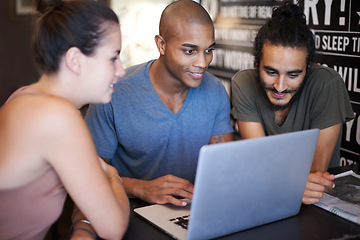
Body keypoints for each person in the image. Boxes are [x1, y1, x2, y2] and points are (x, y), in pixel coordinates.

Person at [0, 0, 129, 239]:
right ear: (75, 60)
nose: (121, 70)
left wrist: (82, 227)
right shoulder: (57, 116)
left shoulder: (25, 98)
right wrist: (111, 175)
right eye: (113, 58)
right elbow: (114, 227)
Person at [85, 0, 234, 207]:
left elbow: (223, 167)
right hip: (130, 208)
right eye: (190, 51)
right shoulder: (114, 92)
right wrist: (139, 188)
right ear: (161, 45)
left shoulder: (215, 90)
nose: (203, 62)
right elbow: (87, 174)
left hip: (192, 209)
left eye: (208, 50)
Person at [231, 1, 354, 205]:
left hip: (316, 205)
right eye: (270, 72)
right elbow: (260, 160)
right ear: (256, 63)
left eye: (293, 74)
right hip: (268, 198)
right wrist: (287, 184)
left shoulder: (327, 83)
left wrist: (276, 179)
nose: (280, 87)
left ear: (308, 68)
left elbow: (316, 174)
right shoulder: (243, 82)